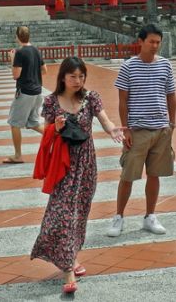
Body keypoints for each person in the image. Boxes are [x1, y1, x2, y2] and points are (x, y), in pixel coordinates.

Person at [31, 57, 123, 294]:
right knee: (62, 214)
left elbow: (103, 118)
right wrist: (57, 128)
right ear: (62, 77)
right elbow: (47, 133)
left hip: (86, 166)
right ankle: (68, 272)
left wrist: (112, 128)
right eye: (72, 76)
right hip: (63, 166)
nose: (77, 80)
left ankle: (71, 258)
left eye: (81, 76)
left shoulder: (90, 98)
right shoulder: (51, 102)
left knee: (79, 214)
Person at [107, 24, 176, 238]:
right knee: (128, 175)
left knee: (154, 175)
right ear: (141, 41)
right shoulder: (128, 66)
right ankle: (118, 216)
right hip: (137, 130)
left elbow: (171, 97)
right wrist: (126, 128)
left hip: (161, 130)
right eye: (151, 42)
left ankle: (150, 216)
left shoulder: (166, 65)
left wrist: (172, 125)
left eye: (158, 42)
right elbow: (122, 101)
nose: (155, 46)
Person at [4, 25, 46, 164]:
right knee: (33, 123)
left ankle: (18, 155)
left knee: (14, 123)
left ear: (17, 37)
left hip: (25, 92)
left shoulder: (20, 53)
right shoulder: (36, 50)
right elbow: (44, 70)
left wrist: (12, 58)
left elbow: (16, 75)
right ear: (29, 36)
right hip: (38, 92)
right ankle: (58, 138)